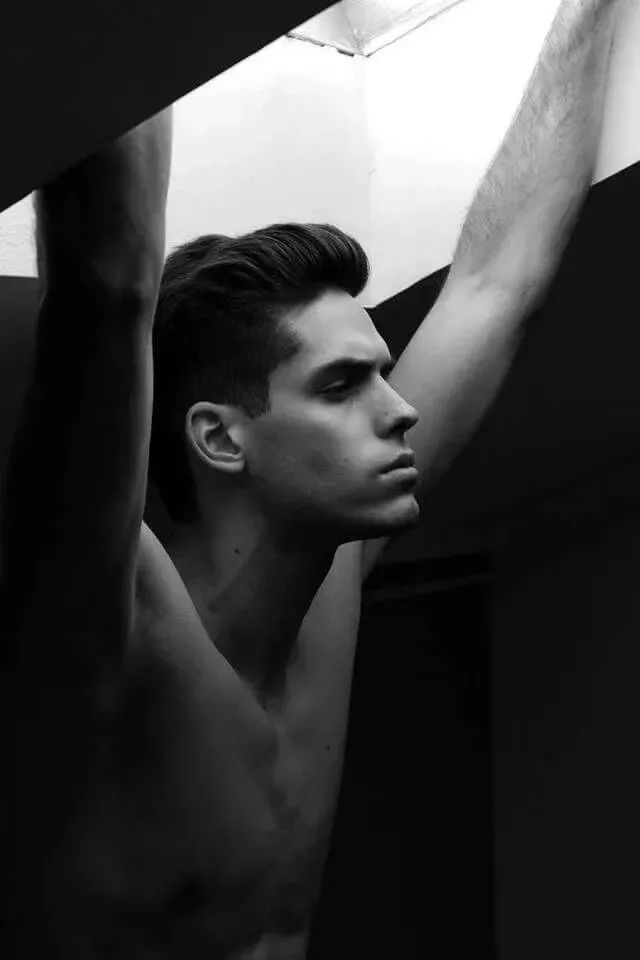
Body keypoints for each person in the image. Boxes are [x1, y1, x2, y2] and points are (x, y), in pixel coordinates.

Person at [1, 0, 624, 957]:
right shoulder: (108, 622)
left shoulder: (329, 582)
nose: (401, 408)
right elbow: (107, 287)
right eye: (341, 386)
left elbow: (498, 283)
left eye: (381, 372)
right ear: (219, 438)